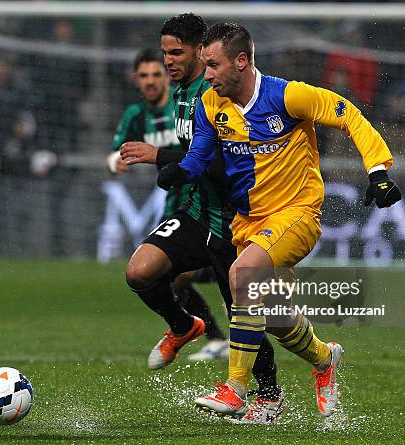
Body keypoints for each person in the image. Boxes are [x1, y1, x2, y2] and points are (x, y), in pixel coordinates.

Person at [158, 22, 402, 417]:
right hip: (248, 222)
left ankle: (235, 388)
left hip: (298, 213)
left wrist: (377, 170)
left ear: (241, 61)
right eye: (204, 66)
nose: (207, 75)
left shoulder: (287, 95)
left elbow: (350, 115)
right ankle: (324, 359)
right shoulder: (211, 105)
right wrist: (180, 171)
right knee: (271, 315)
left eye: (213, 65)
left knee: (243, 275)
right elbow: (199, 157)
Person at [120, 14, 283, 424]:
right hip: (195, 213)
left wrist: (158, 156)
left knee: (242, 311)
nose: (168, 61)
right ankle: (183, 325)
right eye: (164, 53)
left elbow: (215, 163)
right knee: (140, 271)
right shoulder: (182, 92)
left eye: (176, 53)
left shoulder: (214, 92)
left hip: (232, 220)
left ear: (200, 51)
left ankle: (268, 395)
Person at [108, 48, 229, 361]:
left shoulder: (188, 99)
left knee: (186, 274)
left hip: (213, 199)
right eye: (144, 75)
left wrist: (160, 156)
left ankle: (210, 333)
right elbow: (115, 151)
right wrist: (115, 162)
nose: (150, 81)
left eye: (155, 74)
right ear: (136, 80)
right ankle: (205, 333)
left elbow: (207, 154)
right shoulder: (136, 115)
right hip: (178, 200)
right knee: (163, 273)